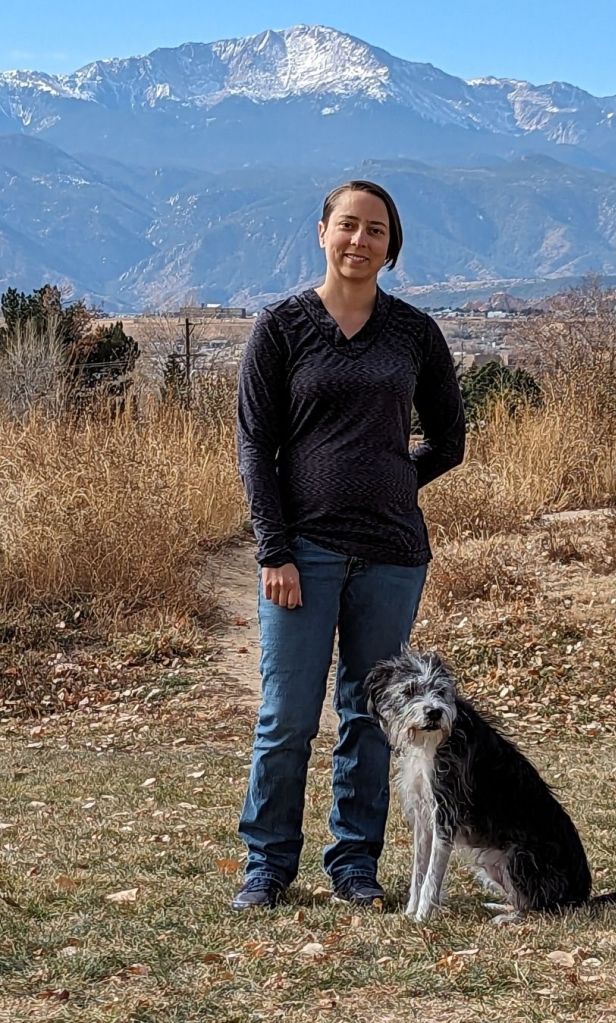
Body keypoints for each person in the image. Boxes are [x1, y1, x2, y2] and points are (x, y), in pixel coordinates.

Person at [232, 180, 466, 910]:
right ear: (322, 232)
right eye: (347, 226)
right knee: (287, 717)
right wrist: (274, 548)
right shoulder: (281, 328)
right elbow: (253, 447)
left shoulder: (414, 333)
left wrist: (393, 480)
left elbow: (449, 440)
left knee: (371, 717)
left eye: (375, 231)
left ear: (390, 247)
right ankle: (266, 867)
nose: (359, 241)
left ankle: (354, 865)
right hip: (303, 552)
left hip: (393, 552)